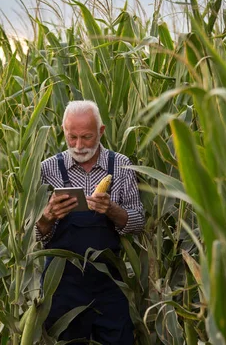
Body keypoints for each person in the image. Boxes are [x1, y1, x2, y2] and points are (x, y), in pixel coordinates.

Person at [35, 100, 145, 344]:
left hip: (109, 283)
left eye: (86, 137)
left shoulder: (121, 166)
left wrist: (112, 210)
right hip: (62, 286)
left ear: (101, 131)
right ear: (63, 130)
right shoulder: (48, 169)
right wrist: (48, 215)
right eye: (71, 137)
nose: (78, 145)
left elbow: (138, 223)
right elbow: (33, 234)